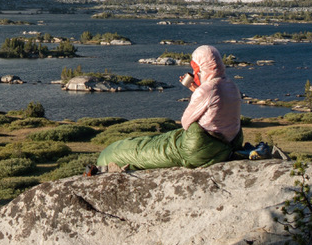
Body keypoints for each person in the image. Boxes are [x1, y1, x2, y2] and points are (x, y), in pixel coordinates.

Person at [96, 45, 243, 170]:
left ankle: (107, 158)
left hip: (200, 149)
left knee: (133, 150)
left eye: (194, 68)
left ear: (200, 68)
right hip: (226, 145)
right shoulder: (231, 85)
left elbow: (186, 122)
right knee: (158, 141)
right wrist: (196, 89)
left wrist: (197, 92)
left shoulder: (207, 90)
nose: (194, 72)